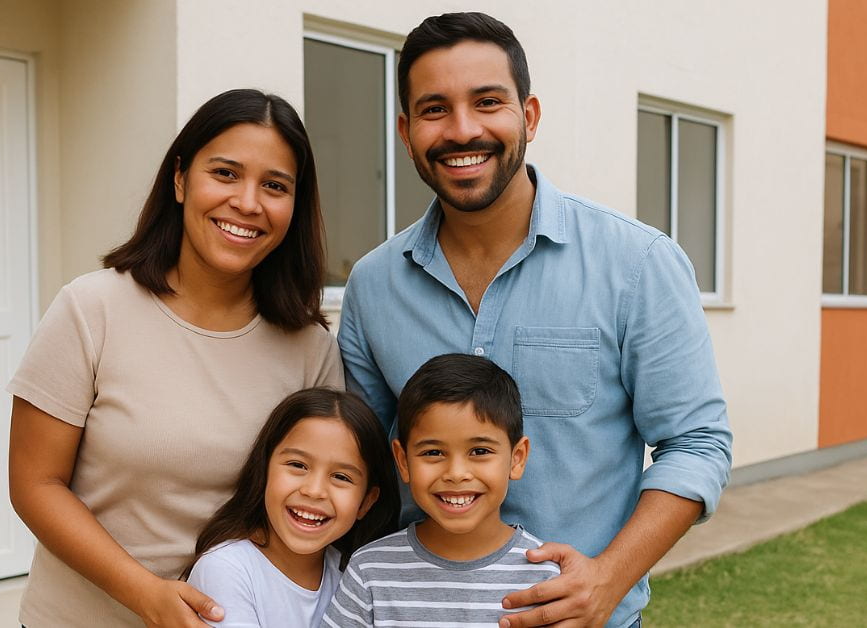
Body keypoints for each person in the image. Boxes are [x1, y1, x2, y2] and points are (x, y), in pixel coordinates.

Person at [337, 13, 733, 628]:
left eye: (488, 102)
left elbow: (696, 442)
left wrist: (608, 578)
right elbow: (371, 462)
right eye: (435, 109)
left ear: (529, 116)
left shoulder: (637, 263)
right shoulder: (372, 286)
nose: (463, 129)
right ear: (406, 131)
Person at [8, 89, 342, 628]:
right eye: (226, 173)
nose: (248, 203)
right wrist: (147, 594)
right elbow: (35, 485)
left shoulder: (312, 350)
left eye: (275, 186)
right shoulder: (91, 308)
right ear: (181, 179)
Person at [324, 354, 559, 627]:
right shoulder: (370, 572)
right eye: (433, 452)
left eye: (480, 451)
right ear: (403, 461)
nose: (456, 474)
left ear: (517, 458)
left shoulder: (545, 579)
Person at [183, 387, 399, 627]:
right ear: (264, 471)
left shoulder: (355, 576)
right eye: (298, 465)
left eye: (341, 477)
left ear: (366, 502)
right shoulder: (226, 568)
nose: (314, 490)